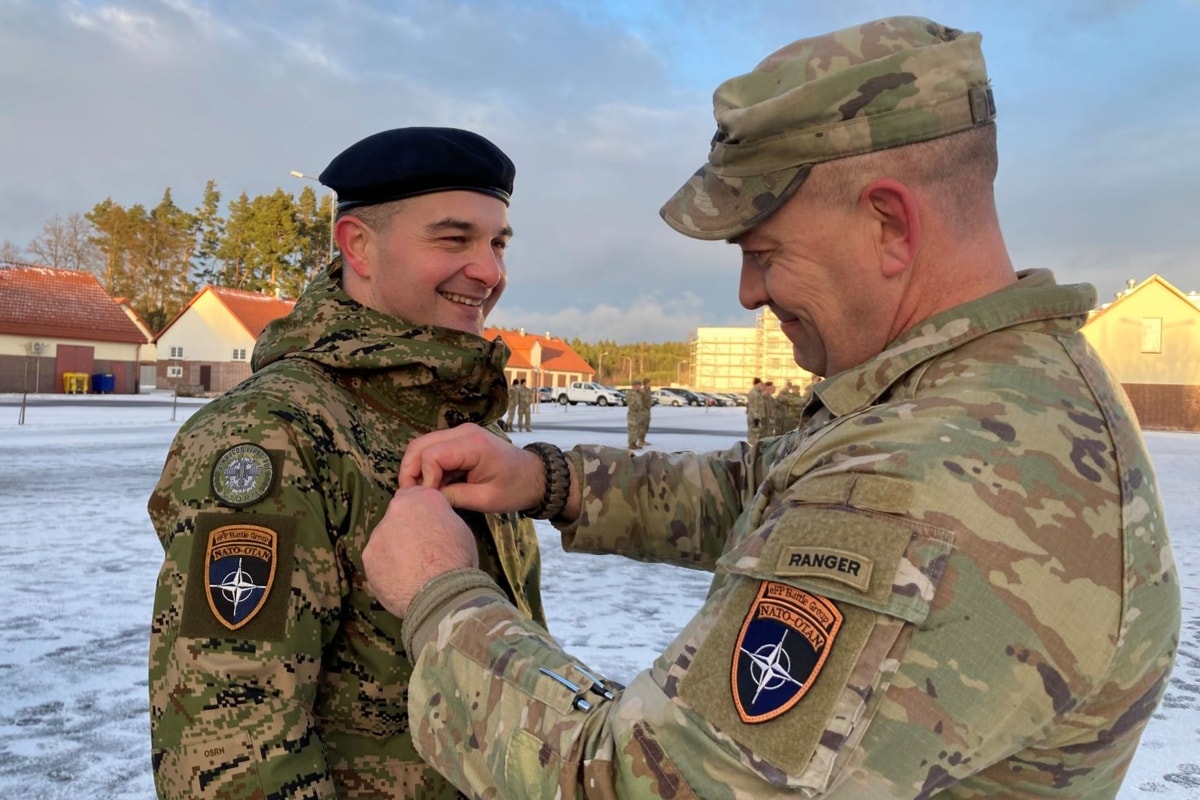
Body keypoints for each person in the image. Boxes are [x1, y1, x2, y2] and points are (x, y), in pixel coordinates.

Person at [362, 17, 1181, 799]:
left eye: (765, 252)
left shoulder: (930, 476)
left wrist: (443, 595)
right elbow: (771, 489)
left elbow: (633, 784)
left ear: (889, 223)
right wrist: (550, 481)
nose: (749, 291)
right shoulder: (986, 389)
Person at [146, 126, 546, 799]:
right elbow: (228, 747)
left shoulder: (458, 415)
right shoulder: (273, 433)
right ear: (358, 245)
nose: (489, 271)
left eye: (497, 243)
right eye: (454, 240)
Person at [746, 376, 765, 445]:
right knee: (753, 435)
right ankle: (751, 448)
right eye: (761, 384)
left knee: (756, 435)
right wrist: (756, 418)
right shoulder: (753, 393)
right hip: (754, 418)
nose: (761, 386)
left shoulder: (757, 392)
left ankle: (754, 448)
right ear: (757, 384)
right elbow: (753, 406)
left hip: (757, 417)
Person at [626, 378, 644, 449]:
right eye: (639, 386)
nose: (640, 387)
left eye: (640, 386)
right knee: (632, 429)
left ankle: (634, 443)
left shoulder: (638, 394)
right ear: (635, 386)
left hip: (637, 414)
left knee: (637, 429)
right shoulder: (632, 394)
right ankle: (631, 444)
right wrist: (638, 408)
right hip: (633, 414)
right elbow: (631, 405)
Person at [637, 379, 653, 446]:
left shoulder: (649, 390)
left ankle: (643, 440)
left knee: (646, 426)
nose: (650, 384)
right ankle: (640, 441)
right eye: (649, 383)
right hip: (643, 411)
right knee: (642, 426)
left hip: (648, 410)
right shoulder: (642, 391)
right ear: (645, 384)